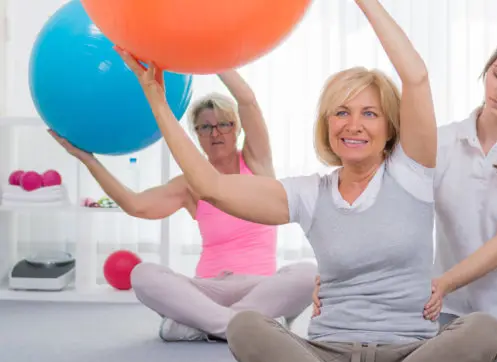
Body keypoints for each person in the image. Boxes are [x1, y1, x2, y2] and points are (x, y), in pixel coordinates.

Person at [116, 0, 497, 362]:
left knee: (484, 330)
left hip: (407, 357)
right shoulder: (309, 193)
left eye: (369, 113)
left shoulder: (412, 173)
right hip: (328, 358)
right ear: (327, 124)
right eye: (341, 112)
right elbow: (211, 186)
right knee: (246, 327)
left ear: (391, 126)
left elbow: (417, 77)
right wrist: (156, 98)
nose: (353, 124)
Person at [313, 28, 497, 362]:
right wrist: (333, 275)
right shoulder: (442, 143)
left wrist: (443, 282)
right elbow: (376, 207)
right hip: (450, 313)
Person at [50, 69, 317, 343]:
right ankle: (246, 325)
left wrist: (215, 61)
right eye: (205, 127)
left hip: (260, 286)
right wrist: (89, 161)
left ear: (237, 129)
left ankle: (203, 325)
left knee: (309, 272)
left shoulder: (256, 162)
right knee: (142, 274)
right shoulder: (189, 185)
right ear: (196, 135)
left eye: (224, 124)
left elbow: (247, 101)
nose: (216, 133)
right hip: (208, 289)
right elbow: (136, 205)